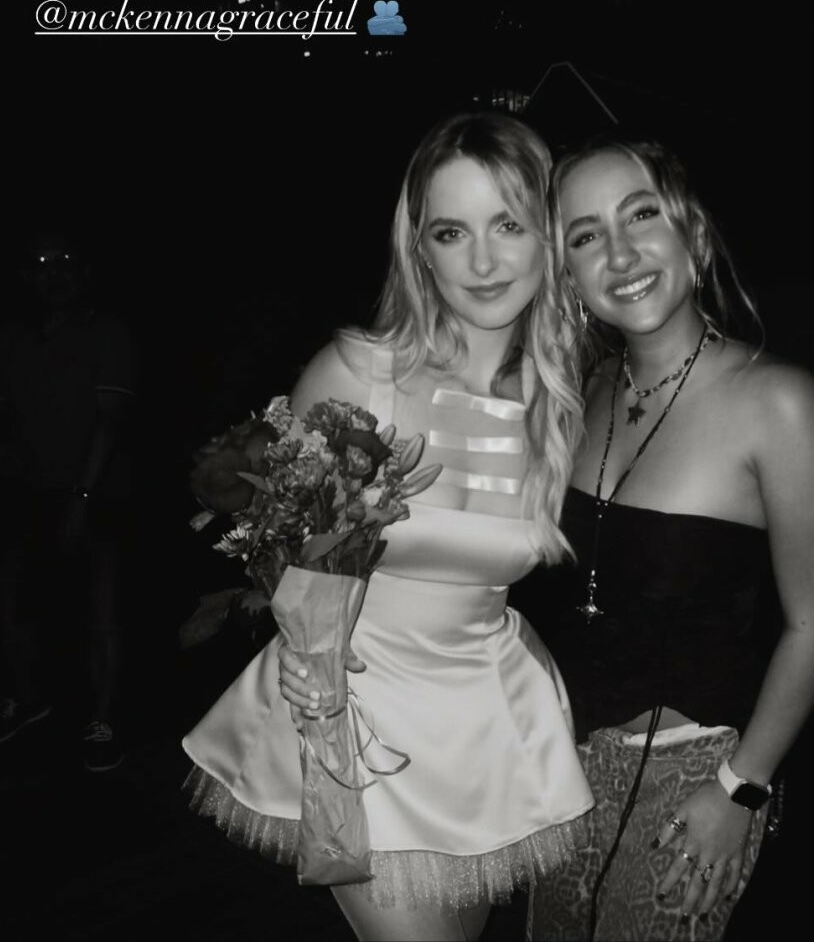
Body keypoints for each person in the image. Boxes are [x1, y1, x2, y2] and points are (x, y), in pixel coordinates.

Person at [183, 113, 593, 942]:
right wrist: (306, 656)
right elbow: (284, 553)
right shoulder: (355, 372)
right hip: (355, 718)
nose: (483, 262)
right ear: (419, 249)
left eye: (509, 225)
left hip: (486, 728)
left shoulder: (566, 402)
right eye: (451, 231)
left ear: (549, 237)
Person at [521, 137, 814, 940]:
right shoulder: (580, 392)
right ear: (566, 272)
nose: (619, 253)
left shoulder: (777, 401)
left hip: (696, 776)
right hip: (559, 767)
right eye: (585, 235)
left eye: (641, 216)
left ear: (692, 234)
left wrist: (741, 788)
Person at [0, 230, 137, 772]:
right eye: (42, 263)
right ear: (26, 275)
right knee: (11, 601)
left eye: (66, 261)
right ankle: (27, 699)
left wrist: (81, 496)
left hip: (99, 491)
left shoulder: (107, 332)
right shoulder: (9, 336)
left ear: (84, 272)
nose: (54, 273)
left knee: (103, 609)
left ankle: (103, 719)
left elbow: (110, 420)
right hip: (27, 492)